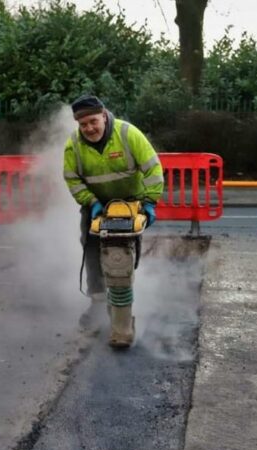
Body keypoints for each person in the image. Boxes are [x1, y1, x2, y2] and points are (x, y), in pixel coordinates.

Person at [62, 94, 164, 335]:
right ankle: (97, 302)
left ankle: (122, 300)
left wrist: (149, 203)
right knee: (91, 247)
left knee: (122, 254)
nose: (89, 128)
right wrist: (91, 202)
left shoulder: (128, 135)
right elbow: (72, 179)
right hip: (97, 204)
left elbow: (153, 168)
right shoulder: (73, 145)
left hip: (131, 202)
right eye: (83, 124)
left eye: (93, 122)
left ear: (104, 115)